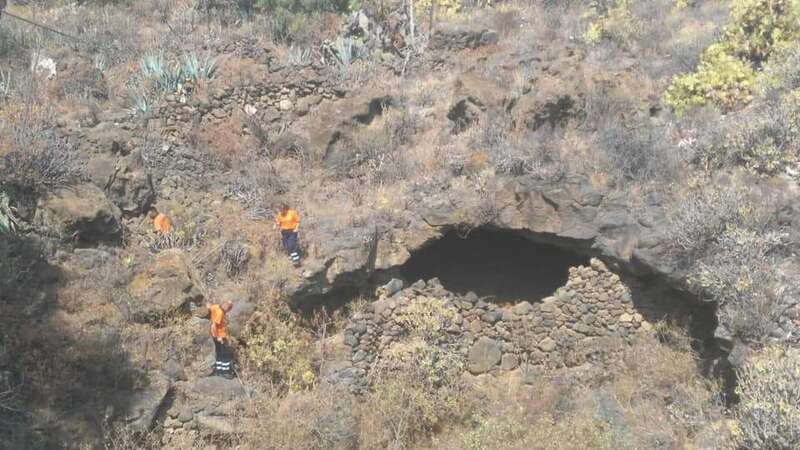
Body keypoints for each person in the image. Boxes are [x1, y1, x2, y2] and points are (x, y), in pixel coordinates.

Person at [207, 300, 234, 379]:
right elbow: (214, 325)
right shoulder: (220, 312)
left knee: (219, 353)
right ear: (226, 307)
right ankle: (224, 371)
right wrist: (218, 337)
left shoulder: (216, 307)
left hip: (217, 336)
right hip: (220, 336)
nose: (228, 310)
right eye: (229, 308)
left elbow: (209, 306)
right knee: (225, 354)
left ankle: (219, 371)